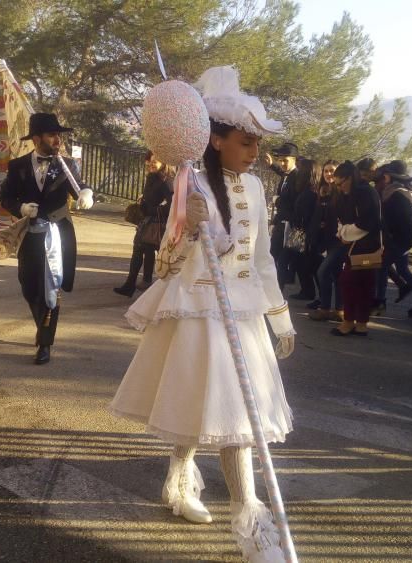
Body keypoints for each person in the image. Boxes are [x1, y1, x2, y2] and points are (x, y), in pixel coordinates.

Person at [110, 66, 294, 563]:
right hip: (200, 313)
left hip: (244, 314)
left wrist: (280, 316)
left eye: (257, 143)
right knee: (229, 417)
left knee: (223, 412)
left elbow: (261, 259)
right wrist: (189, 229)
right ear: (215, 140)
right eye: (245, 141)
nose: (254, 152)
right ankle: (253, 525)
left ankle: (180, 482)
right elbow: (168, 262)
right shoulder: (190, 186)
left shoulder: (256, 190)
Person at [0, 112, 95, 365]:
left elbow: (78, 186)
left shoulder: (67, 165)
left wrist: (85, 193)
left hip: (58, 234)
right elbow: (5, 197)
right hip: (31, 235)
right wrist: (20, 208)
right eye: (52, 135)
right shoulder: (17, 166)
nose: (58, 140)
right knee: (29, 285)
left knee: (52, 286)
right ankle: (42, 327)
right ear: (37, 138)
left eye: (59, 135)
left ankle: (44, 342)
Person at [329, 160, 381, 336]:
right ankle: (360, 323)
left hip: (365, 248)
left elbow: (367, 222)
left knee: (351, 282)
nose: (339, 187)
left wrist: (344, 234)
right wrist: (343, 233)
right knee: (362, 284)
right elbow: (342, 219)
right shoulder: (354, 193)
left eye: (340, 183)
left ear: (350, 178)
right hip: (360, 246)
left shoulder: (365, 193)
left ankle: (350, 321)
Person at [374, 160, 412, 317]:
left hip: (398, 240)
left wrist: (389, 238)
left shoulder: (395, 194)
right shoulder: (399, 192)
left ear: (390, 177)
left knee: (381, 266)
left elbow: (396, 220)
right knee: (403, 270)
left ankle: (380, 301)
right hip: (403, 240)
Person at [114, 152, 173, 297]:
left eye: (156, 161)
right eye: (150, 160)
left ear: (164, 163)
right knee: (142, 250)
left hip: (155, 223)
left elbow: (172, 204)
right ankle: (137, 283)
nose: (152, 163)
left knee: (147, 251)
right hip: (148, 221)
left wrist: (152, 209)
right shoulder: (153, 177)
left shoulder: (165, 180)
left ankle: (136, 285)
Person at [310, 160, 347, 322]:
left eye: (332, 171)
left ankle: (325, 308)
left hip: (339, 239)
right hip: (326, 239)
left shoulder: (342, 193)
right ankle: (339, 309)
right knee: (336, 274)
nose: (328, 174)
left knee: (323, 272)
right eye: (326, 171)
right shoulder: (322, 191)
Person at [266, 142, 299, 286]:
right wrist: (272, 164)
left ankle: (277, 293)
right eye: (281, 160)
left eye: (286, 160)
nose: (282, 163)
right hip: (280, 224)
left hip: (291, 226)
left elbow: (293, 202)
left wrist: (277, 200)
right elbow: (282, 172)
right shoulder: (286, 175)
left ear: (294, 160)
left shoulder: (298, 177)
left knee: (281, 261)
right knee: (274, 257)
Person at [287, 157, 320, 301]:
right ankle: (307, 291)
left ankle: (311, 292)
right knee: (301, 264)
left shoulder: (310, 193)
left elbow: (307, 214)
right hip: (301, 231)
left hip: (303, 232)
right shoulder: (309, 190)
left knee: (306, 264)